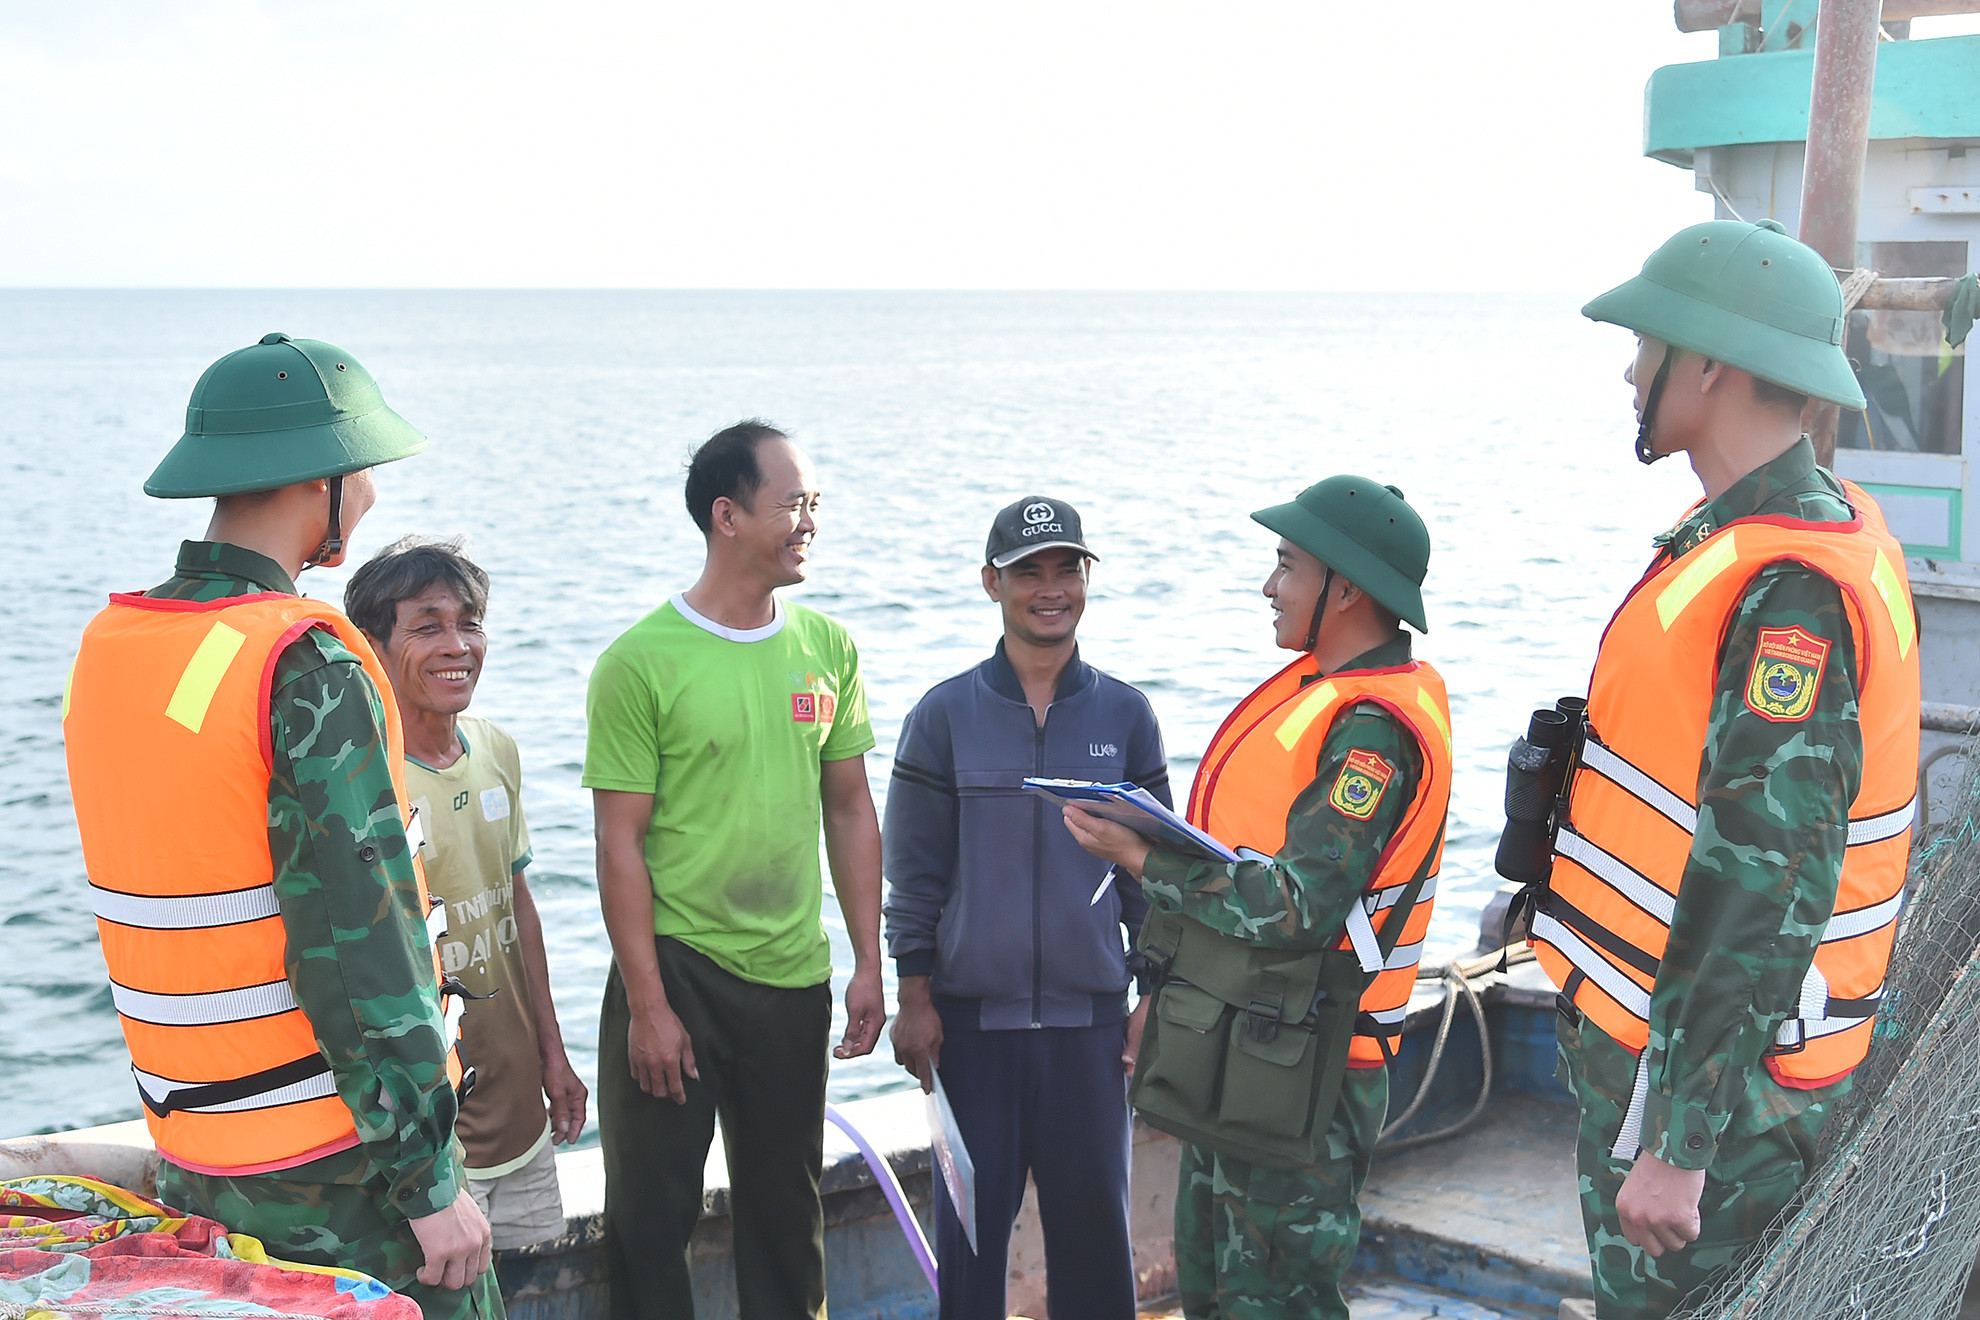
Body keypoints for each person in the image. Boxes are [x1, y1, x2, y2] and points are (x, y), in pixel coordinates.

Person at [1528, 219, 1921, 1319]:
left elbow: (1766, 876)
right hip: (1672, 1061)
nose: (1628, 366)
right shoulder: (1758, 540)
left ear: (1706, 364)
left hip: (1712, 1100)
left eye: (1645, 343)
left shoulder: (1789, 587)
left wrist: (1679, 1141)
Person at [61, 334, 500, 1319]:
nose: (376, 492)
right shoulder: (307, 662)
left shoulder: (113, 648)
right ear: (323, 478)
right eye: (368, 468)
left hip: (196, 1161)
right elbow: (362, 943)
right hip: (341, 1173)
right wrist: (429, 1183)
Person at [1065, 477, 1452, 1320]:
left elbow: (1294, 906)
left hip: (1309, 1071)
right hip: (1252, 1047)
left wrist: (1140, 856)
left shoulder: (1372, 731)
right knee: (1214, 1296)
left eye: (1287, 565)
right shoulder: (1324, 695)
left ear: (1346, 588)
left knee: (1276, 1302)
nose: (1268, 586)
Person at [584, 420, 887, 1320]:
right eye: (794, 503)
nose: (810, 522)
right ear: (727, 515)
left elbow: (849, 809)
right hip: (676, 971)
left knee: (788, 1219)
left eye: (815, 504)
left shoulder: (828, 647)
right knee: (650, 1222)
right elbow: (618, 844)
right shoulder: (639, 663)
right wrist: (647, 1005)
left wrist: (867, 960)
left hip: (793, 978)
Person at [883, 495, 1171, 1320]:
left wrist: (1152, 993)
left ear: (1086, 580)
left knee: (1098, 1264)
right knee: (971, 1268)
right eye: (1029, 572)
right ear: (992, 583)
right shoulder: (943, 717)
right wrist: (916, 998)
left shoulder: (1126, 714)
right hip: (973, 1037)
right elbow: (915, 875)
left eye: (1067, 569)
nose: (1051, 589)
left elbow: (1155, 878)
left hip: (1089, 1033)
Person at [346, 537, 589, 1255]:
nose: (457, 645)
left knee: (519, 1278)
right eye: (426, 626)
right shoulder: (364, 783)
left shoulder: (495, 748)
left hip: (520, 1109)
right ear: (373, 646)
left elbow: (515, 908)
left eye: (469, 622)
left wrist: (554, 1054)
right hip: (429, 1142)